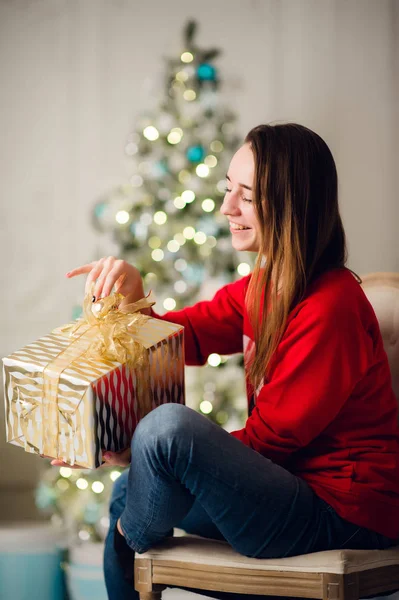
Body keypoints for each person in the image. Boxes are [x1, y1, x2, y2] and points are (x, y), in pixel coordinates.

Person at [56, 123, 399, 599]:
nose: (226, 208)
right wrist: (133, 294)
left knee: (167, 428)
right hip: (291, 489)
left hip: (345, 514)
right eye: (227, 189)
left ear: (291, 204)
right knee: (126, 491)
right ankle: (130, 535)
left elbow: (268, 442)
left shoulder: (330, 307)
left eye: (248, 196)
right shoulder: (265, 286)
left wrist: (147, 451)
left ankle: (130, 534)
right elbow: (183, 337)